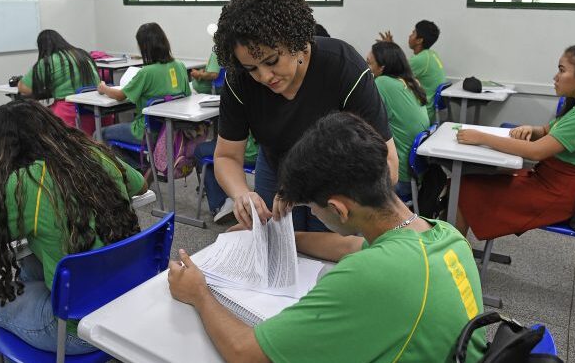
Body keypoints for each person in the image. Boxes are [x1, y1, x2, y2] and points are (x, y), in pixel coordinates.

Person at [167, 113, 486, 362]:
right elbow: (350, 245)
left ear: (338, 208)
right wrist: (283, 235)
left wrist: (199, 293)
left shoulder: (371, 275)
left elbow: (245, 353)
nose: (314, 214)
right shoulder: (443, 235)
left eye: (312, 208)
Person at [0, 99, 146, 355]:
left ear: (0, 149)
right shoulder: (94, 154)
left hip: (78, 330)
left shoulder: (22, 185)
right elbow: (141, 186)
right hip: (128, 302)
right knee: (32, 262)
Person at [213, 0, 397, 232]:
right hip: (275, 166)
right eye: (252, 68)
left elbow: (387, 167)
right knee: (277, 245)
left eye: (272, 60)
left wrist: (308, 194)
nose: (265, 76)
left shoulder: (343, 67)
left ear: (295, 38)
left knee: (333, 254)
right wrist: (242, 194)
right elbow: (226, 156)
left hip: (340, 180)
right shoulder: (240, 80)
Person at [455, 43, 575, 240]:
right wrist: (531, 130)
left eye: (561, 70)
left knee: (463, 189)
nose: (555, 77)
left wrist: (481, 137)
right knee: (462, 183)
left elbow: (536, 152)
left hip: (557, 192)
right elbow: (546, 131)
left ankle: (451, 259)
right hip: (548, 179)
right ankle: (451, 252)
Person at [98, 23, 191, 167]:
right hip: (170, 130)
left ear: (145, 47)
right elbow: (187, 96)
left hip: (145, 131)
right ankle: (141, 170)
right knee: (117, 144)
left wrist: (103, 88)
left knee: (100, 134)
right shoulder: (180, 66)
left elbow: (120, 96)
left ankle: (136, 172)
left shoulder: (146, 72)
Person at [367, 41, 430, 200]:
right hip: (417, 174)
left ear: (382, 68)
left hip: (399, 178)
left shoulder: (382, 83)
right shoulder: (411, 82)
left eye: (368, 63)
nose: (366, 68)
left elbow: (364, 124)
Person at [18, 29, 108, 136]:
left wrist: (49, 88)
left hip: (69, 114)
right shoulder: (82, 54)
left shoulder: (47, 62)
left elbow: (23, 88)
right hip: (97, 111)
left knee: (35, 117)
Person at [379, 20, 446, 122]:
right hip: (430, 111)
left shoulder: (421, 59)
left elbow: (391, 71)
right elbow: (402, 64)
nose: (410, 36)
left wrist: (388, 48)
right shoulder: (431, 55)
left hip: (424, 112)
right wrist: (392, 46)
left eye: (413, 33)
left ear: (419, 40)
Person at [193, 135, 258, 222]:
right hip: (263, 155)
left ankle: (220, 205)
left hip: (246, 153)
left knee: (200, 150)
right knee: (216, 141)